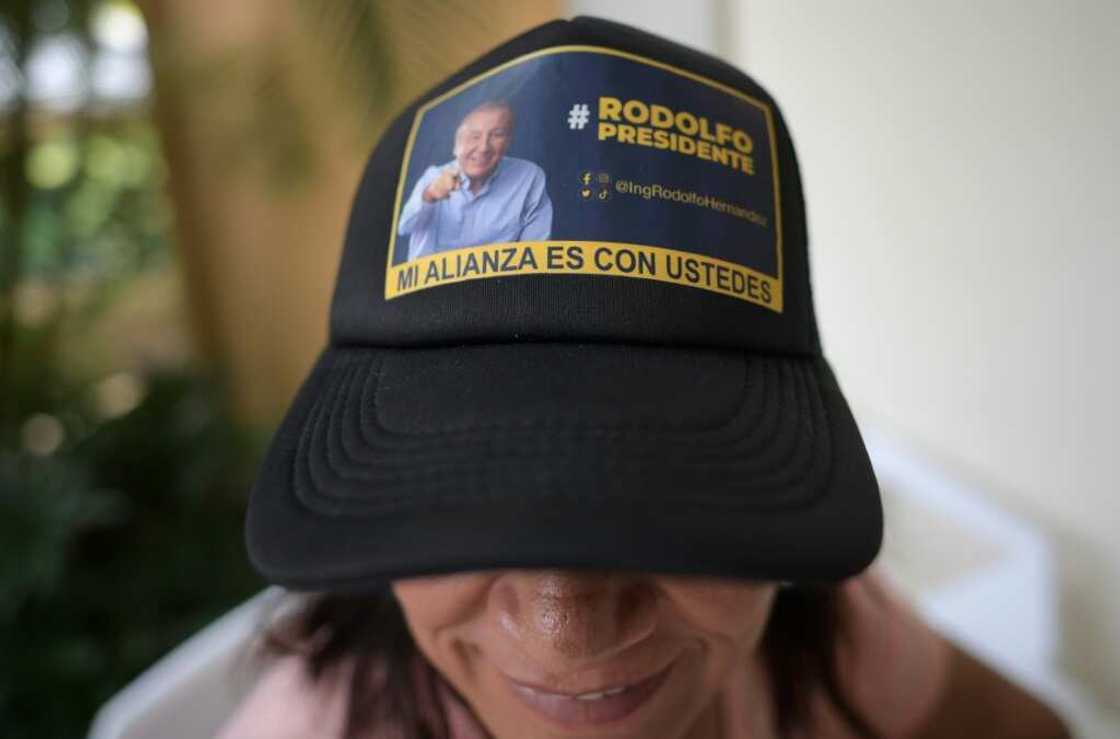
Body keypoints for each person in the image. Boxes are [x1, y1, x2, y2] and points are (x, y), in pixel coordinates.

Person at [225, 16, 1073, 739]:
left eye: (665, 492)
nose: (568, 631)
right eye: (466, 504)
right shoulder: (316, 722)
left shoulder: (826, 636)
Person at [397, 100, 553, 262]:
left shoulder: (528, 177)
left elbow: (537, 252)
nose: (484, 147)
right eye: (474, 136)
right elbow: (405, 227)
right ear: (456, 144)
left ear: (508, 141)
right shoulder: (434, 177)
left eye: (496, 135)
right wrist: (429, 195)